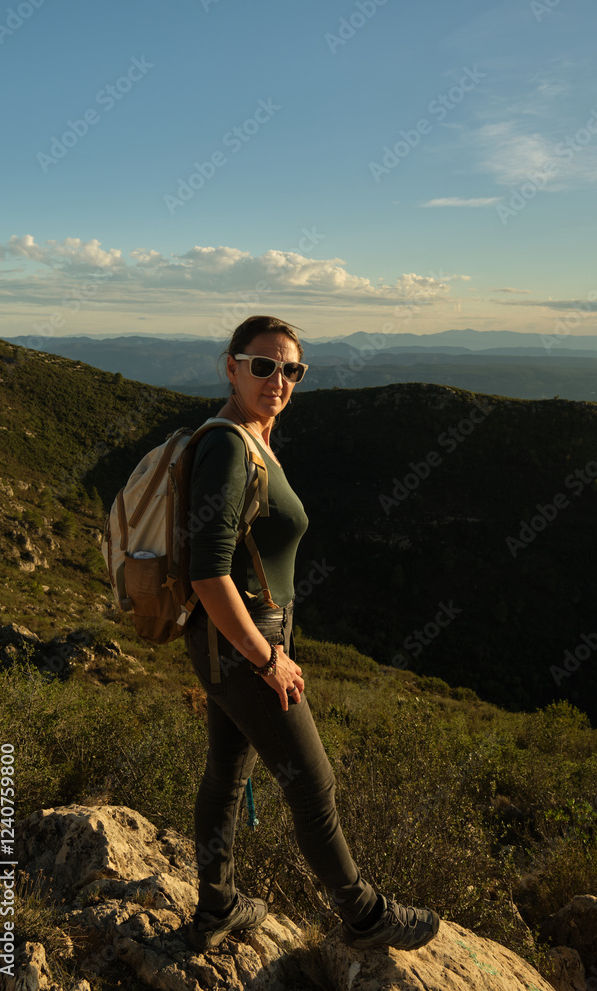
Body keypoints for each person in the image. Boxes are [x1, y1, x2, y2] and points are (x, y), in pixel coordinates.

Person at [184, 315, 440, 952]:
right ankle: (364, 914)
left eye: (291, 369)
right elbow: (206, 572)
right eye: (263, 365)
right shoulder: (226, 447)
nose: (279, 380)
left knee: (227, 771)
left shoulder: (254, 439)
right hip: (242, 644)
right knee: (314, 783)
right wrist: (267, 658)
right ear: (231, 366)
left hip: (242, 640)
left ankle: (217, 906)